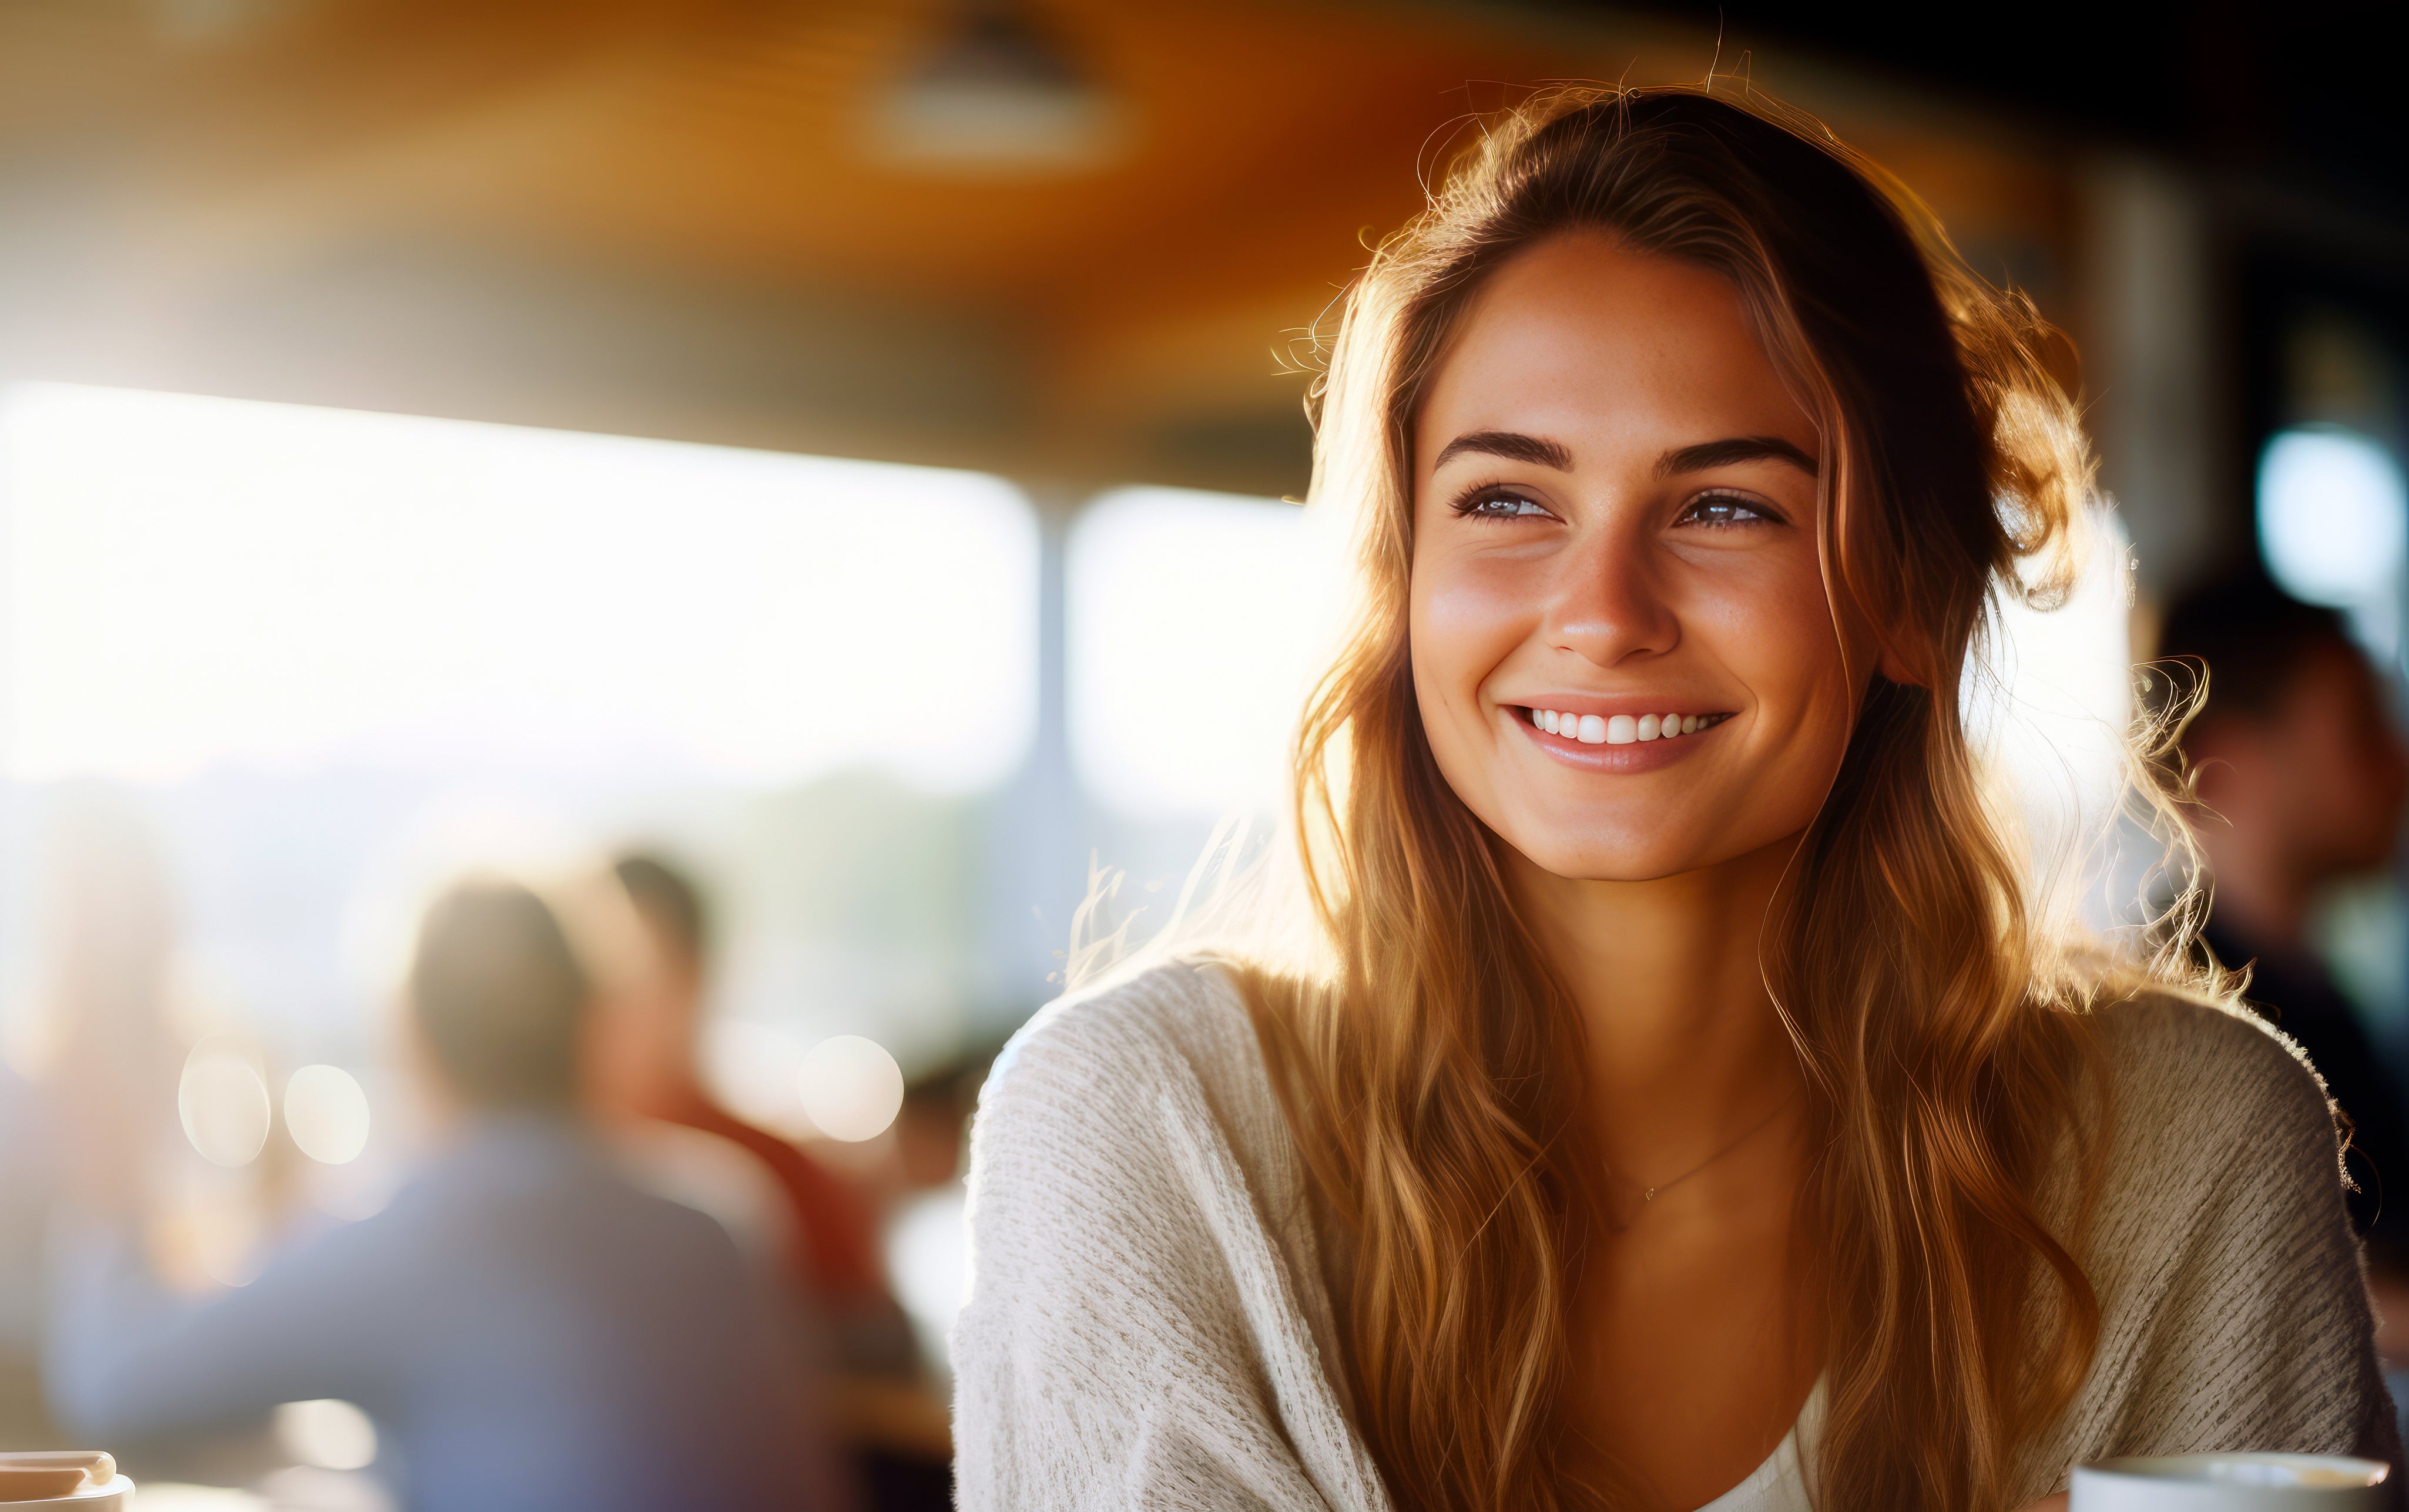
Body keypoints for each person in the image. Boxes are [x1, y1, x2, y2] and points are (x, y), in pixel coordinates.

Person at [952, 86, 2400, 1512]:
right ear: (1399, 589)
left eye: (1724, 506)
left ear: (1907, 595)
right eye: (1506, 499)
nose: (1601, 611)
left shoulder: (2187, 1150)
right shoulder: (1144, 1128)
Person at [48, 877, 849, 1512]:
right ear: (591, 1017)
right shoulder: (721, 1213)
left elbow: (114, 1383)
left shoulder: (423, 1231)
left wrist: (102, 1153)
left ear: (411, 1032)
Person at [2158, 578, 2409, 1248]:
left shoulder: (2316, 998)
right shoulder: (2175, 1016)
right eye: (2360, 728)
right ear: (2226, 764)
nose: (2399, 763)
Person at [593, 854, 912, 1372]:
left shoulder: (776, 1174)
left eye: (626, 975)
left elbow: (883, 1347)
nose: (602, 1005)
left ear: (694, 976)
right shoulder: (537, 1177)